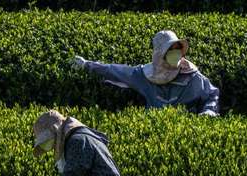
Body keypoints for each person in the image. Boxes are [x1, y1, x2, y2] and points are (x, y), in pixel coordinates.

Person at [72, 30, 220, 116]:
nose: (175, 53)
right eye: (170, 49)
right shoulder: (145, 75)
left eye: (177, 49)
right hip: (154, 129)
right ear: (159, 54)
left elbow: (212, 93)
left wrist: (209, 110)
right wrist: (87, 65)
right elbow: (117, 71)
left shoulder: (192, 76)